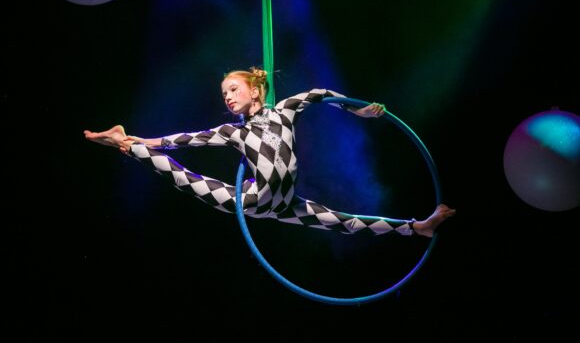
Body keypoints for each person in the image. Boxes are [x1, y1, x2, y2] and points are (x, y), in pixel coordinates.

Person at [84, 67, 455, 237]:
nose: (227, 97)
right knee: (183, 177)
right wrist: (147, 142)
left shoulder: (284, 112)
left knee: (346, 222)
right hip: (252, 201)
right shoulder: (233, 132)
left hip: (285, 204)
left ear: (255, 91)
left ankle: (416, 227)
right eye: (224, 94)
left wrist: (357, 109)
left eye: (232, 89)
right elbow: (187, 139)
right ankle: (125, 141)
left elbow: (321, 94)